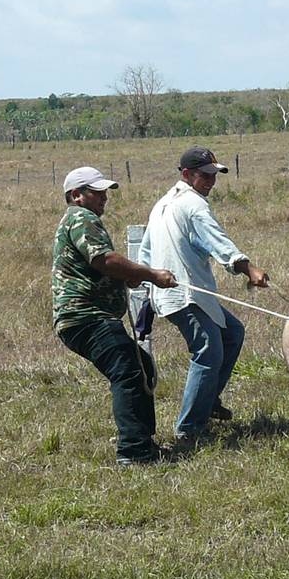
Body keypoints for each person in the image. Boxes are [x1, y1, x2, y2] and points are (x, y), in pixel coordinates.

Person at [137, 147, 270, 441]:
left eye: (214, 175)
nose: (211, 181)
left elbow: (145, 251)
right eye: (205, 175)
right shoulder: (192, 205)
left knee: (232, 332)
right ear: (186, 174)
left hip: (178, 293)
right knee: (209, 350)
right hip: (185, 295)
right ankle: (189, 430)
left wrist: (148, 284)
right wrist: (248, 268)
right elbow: (216, 240)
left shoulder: (162, 203)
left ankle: (208, 401)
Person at [52, 166, 177, 466]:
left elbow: (102, 266)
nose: (104, 197)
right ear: (76, 196)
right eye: (96, 192)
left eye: (104, 192)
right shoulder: (82, 218)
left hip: (85, 317)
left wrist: (127, 276)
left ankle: (142, 442)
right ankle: (133, 452)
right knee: (128, 371)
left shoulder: (79, 219)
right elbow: (103, 259)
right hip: (86, 316)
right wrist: (150, 274)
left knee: (140, 365)